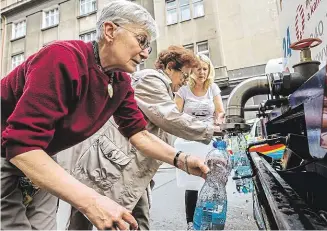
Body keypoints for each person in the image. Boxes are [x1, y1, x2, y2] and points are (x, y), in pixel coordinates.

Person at [0, 1, 209, 230]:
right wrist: (92, 202)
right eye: (141, 41)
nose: (145, 52)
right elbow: (22, 145)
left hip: (43, 157)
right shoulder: (61, 59)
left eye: (149, 45)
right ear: (110, 31)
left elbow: (138, 134)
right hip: (10, 153)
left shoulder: (120, 82)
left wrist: (183, 160)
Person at [58, 45, 221, 230]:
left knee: (135, 218)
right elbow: (169, 118)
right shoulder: (151, 80)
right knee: (85, 215)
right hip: (111, 162)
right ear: (169, 68)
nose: (185, 82)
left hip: (130, 163)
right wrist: (211, 129)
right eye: (184, 75)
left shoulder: (165, 88)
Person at [174, 53, 225, 230]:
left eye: (205, 68)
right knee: (192, 181)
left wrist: (219, 121)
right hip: (189, 139)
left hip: (209, 139)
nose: (202, 72)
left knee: (211, 179)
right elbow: (175, 114)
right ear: (192, 70)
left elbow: (219, 111)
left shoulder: (213, 88)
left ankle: (209, 218)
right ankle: (191, 222)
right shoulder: (183, 91)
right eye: (198, 68)